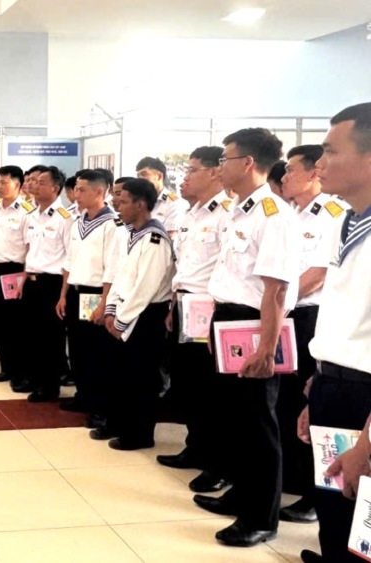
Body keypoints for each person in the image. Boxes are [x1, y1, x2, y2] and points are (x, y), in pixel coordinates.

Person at [194, 128, 301, 548]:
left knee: (258, 423)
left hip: (254, 325)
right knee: (233, 418)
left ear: (249, 163)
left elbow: (275, 290)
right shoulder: (239, 209)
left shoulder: (273, 214)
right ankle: (241, 492)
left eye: (225, 159)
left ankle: (261, 517)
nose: (220, 167)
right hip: (228, 319)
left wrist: (266, 348)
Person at [299, 102, 371, 563]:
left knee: (361, 527)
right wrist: (317, 384)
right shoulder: (346, 220)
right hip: (334, 386)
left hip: (365, 402)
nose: (319, 164)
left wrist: (367, 442)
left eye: (330, 151)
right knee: (333, 513)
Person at [278, 144, 349, 526]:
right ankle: (293, 477)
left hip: (307, 317)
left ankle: (312, 494)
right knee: (291, 403)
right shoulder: (291, 214)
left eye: (291, 170)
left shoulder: (331, 215)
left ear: (312, 175)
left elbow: (317, 273)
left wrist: (281, 302)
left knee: (318, 411)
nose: (285, 176)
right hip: (289, 314)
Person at [156, 146, 234, 496]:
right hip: (185, 304)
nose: (184, 177)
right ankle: (195, 446)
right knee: (187, 383)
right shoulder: (191, 214)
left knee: (211, 390)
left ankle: (219, 464)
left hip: (211, 308)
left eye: (192, 170)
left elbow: (225, 270)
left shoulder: (226, 215)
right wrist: (174, 304)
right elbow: (184, 268)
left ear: (216, 172)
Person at [104, 178, 176, 450]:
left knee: (142, 378)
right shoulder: (131, 233)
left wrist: (121, 320)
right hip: (125, 312)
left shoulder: (154, 238)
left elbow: (145, 287)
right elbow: (120, 274)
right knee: (123, 376)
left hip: (145, 316)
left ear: (141, 204)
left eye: (123, 202)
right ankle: (123, 426)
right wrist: (111, 309)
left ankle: (140, 434)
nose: (117, 206)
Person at [56, 169, 126, 431]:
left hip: (96, 294)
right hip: (76, 292)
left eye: (82, 189)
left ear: (100, 191)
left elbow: (112, 268)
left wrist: (104, 303)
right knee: (78, 350)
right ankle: (83, 396)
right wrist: (63, 295)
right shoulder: (77, 221)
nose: (76, 194)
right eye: (75, 189)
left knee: (99, 354)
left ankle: (101, 408)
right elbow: (69, 261)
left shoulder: (113, 224)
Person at [20, 165, 72, 401]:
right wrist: (23, 278)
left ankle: (49, 386)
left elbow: (69, 260)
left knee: (50, 338)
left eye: (41, 183)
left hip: (52, 284)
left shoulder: (65, 218)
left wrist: (63, 295)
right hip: (31, 281)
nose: (35, 186)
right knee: (31, 334)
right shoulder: (30, 215)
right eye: (34, 182)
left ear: (55, 188)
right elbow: (29, 250)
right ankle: (34, 378)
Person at [0, 165, 32, 387]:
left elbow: (31, 249)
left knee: (15, 326)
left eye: (4, 182)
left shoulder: (26, 212)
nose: (0, 186)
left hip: (15, 272)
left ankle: (19, 371)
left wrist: (25, 277)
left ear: (18, 185)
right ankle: (6, 368)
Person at [137, 156, 190, 238]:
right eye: (138, 176)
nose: (139, 179)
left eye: (144, 174)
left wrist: (145, 241)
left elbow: (170, 236)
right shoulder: (139, 202)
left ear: (159, 176)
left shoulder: (174, 203)